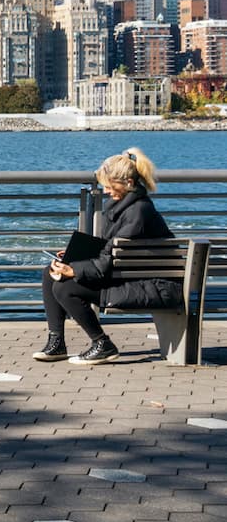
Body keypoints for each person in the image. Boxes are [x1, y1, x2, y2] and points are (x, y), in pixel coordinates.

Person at [36, 147, 177, 365]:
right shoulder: (127, 207)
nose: (107, 191)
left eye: (110, 186)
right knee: (50, 273)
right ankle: (57, 343)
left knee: (65, 286)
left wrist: (74, 270)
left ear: (129, 183)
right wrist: (76, 255)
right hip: (129, 274)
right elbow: (111, 251)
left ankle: (102, 344)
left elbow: (109, 260)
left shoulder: (137, 212)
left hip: (151, 284)